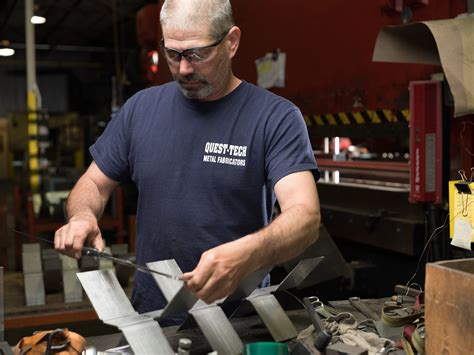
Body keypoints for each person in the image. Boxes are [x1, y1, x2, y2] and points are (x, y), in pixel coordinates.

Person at [54, 0, 321, 320]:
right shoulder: (140, 110)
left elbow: (305, 217)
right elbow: (94, 183)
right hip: (154, 316)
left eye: (197, 54)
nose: (183, 68)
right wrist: (82, 216)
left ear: (231, 42)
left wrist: (247, 255)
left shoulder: (275, 117)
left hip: (242, 320)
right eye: (172, 53)